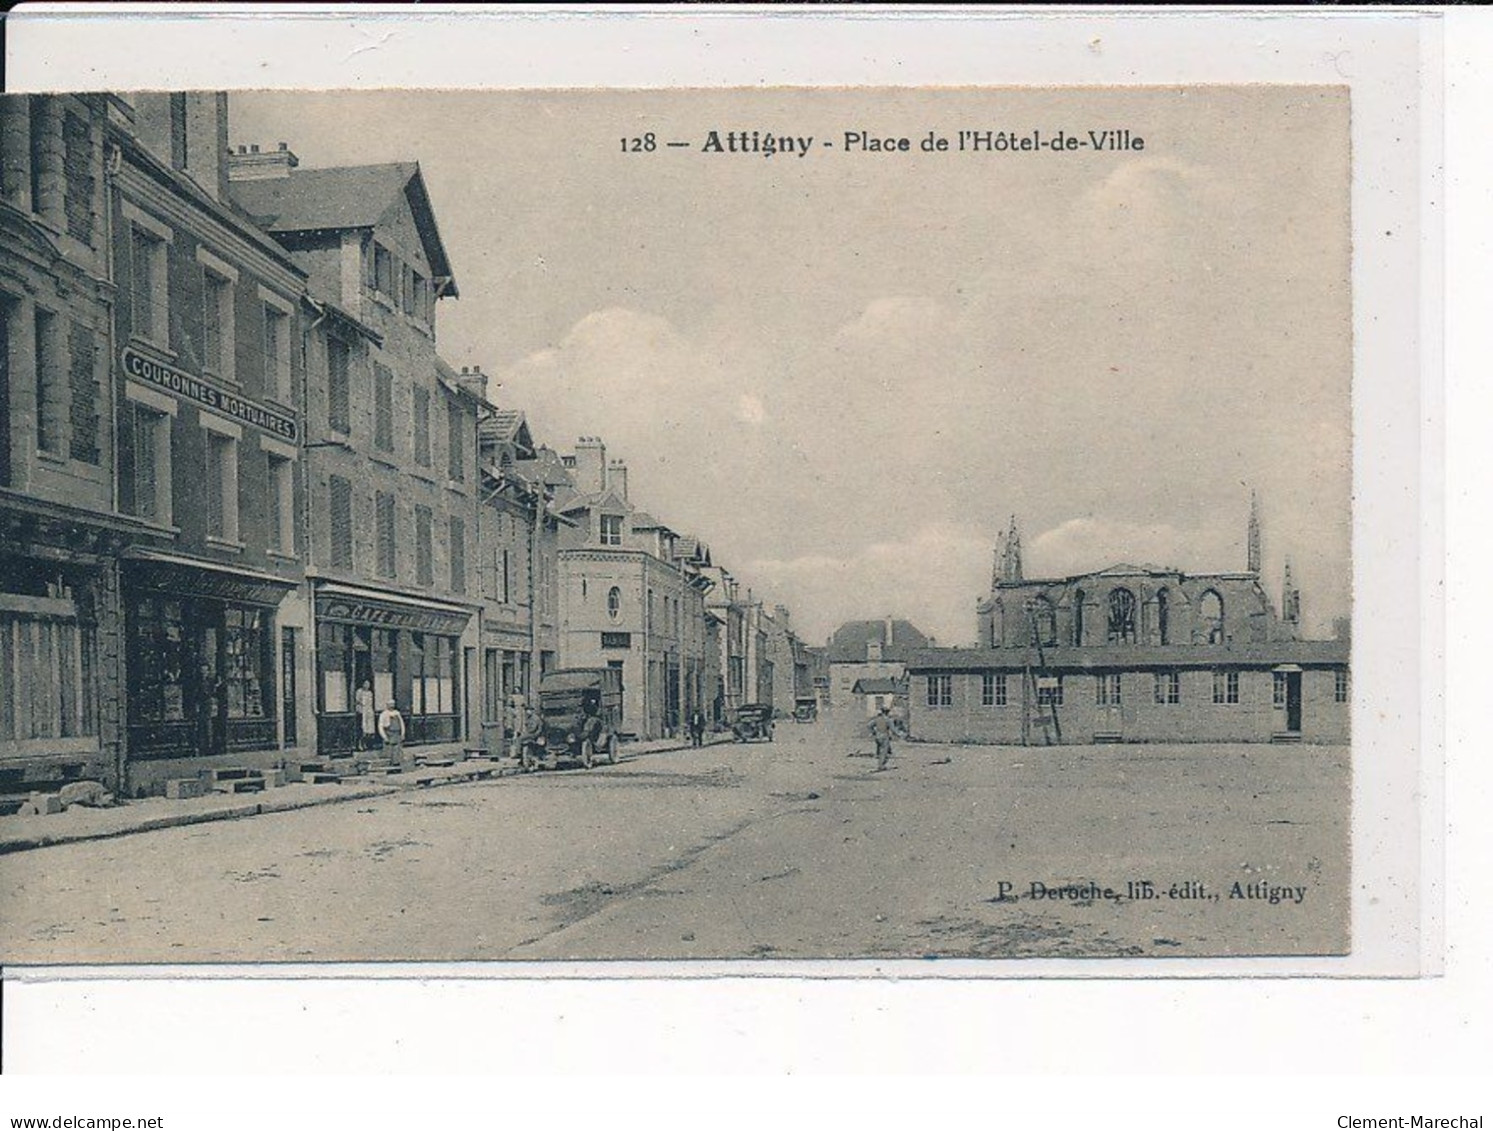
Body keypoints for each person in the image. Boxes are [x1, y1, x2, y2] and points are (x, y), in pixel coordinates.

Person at [377, 699, 408, 771]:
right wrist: (384, 736)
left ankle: (397, 765)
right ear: (387, 705)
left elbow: (402, 724)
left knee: (397, 750)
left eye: (393, 705)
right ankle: (388, 767)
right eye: (390, 705)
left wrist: (402, 734)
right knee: (389, 751)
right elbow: (380, 726)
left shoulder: (397, 713)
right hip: (389, 734)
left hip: (397, 734)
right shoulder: (384, 714)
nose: (391, 706)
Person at [869, 705, 894, 772]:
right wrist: (901, 735)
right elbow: (893, 729)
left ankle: (880, 764)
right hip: (884, 736)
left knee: (880, 750)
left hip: (878, 736)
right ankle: (881, 765)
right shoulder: (888, 720)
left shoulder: (877, 719)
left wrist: (873, 732)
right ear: (887, 712)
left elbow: (869, 725)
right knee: (884, 751)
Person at [354, 680, 377, 752]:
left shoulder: (370, 693)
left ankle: (366, 744)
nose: (367, 685)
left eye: (368, 684)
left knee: (369, 730)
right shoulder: (359, 691)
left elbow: (371, 703)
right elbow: (357, 701)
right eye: (365, 684)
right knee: (363, 729)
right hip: (362, 711)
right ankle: (360, 744)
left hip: (369, 711)